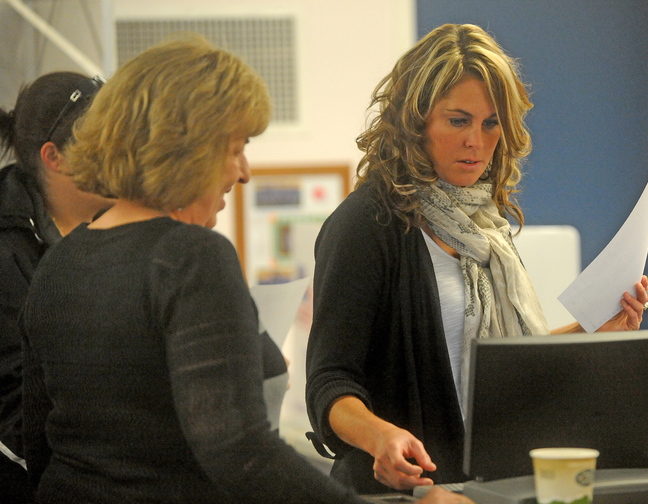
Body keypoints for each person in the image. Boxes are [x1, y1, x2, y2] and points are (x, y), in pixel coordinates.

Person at [19, 35, 470, 504]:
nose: (244, 172)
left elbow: (39, 444)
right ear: (186, 147)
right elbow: (241, 453)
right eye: (235, 148)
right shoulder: (190, 258)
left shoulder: (59, 262)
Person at [305, 23, 648, 495]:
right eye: (458, 120)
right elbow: (330, 383)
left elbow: (495, 364)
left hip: (493, 484)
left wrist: (593, 332)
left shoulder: (486, 228)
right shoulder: (366, 225)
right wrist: (381, 437)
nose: (476, 141)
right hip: (404, 491)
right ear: (415, 120)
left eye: (491, 123)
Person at [0, 71, 113, 502]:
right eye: (104, 139)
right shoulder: (7, 252)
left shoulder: (122, 227)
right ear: (55, 157)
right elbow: (13, 414)